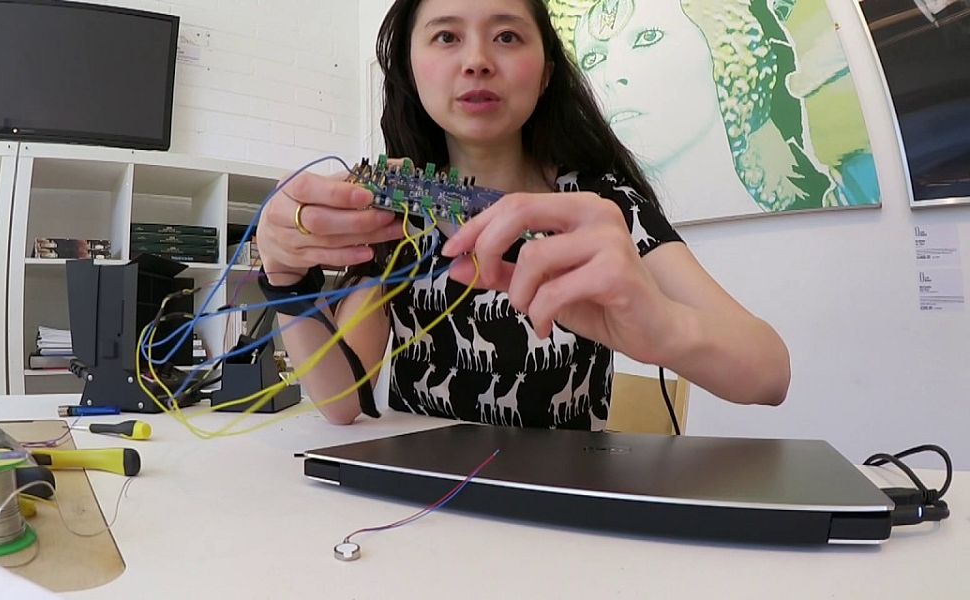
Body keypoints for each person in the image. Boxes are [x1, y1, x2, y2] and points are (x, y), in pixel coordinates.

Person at [254, 0, 790, 430]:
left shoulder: (601, 207)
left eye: (507, 35)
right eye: (446, 36)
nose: (477, 60)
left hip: (562, 508)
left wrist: (664, 329)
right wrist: (283, 278)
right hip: (422, 504)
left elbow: (769, 374)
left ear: (547, 72)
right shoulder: (397, 211)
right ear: (411, 70)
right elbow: (343, 402)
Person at [549, 0, 870, 218]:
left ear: (724, 51)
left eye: (647, 38)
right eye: (593, 58)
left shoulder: (853, 194)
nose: (611, 75)